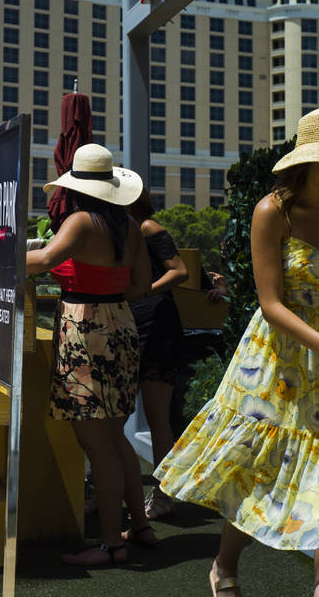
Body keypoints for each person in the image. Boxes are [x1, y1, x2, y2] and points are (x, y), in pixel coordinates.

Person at [154, 107, 319, 597]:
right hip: (277, 356)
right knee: (259, 467)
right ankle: (224, 566)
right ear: (307, 160)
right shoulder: (271, 212)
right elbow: (271, 305)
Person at [25, 143, 153, 566]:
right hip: (120, 324)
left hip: (84, 328)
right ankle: (140, 526)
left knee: (96, 444)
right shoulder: (130, 226)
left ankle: (110, 544)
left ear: (76, 188)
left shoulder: (80, 221)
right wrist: (107, 291)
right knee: (115, 437)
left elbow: (45, 259)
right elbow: (141, 286)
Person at [126, 188, 189, 522]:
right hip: (128, 325)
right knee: (114, 418)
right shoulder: (118, 229)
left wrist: (143, 291)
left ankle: (164, 495)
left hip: (156, 325)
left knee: (157, 417)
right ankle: (104, 489)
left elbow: (179, 270)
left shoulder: (146, 227)